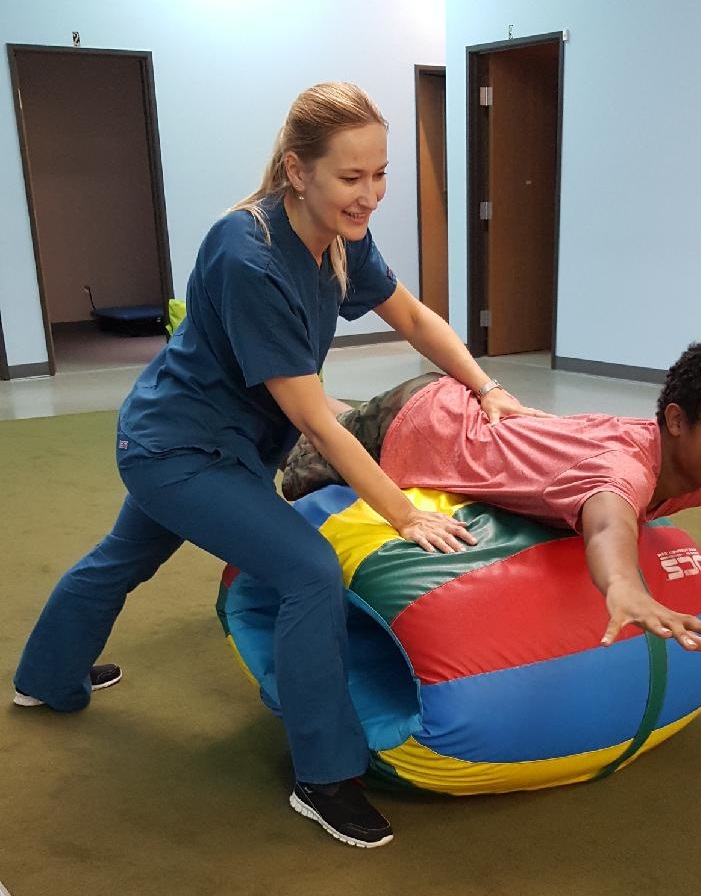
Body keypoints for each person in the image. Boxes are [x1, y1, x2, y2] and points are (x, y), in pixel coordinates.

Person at [12, 82, 545, 850]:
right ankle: (324, 778)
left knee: (126, 555)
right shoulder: (246, 254)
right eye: (352, 178)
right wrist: (404, 512)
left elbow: (416, 318)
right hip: (177, 449)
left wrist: (487, 386)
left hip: (212, 442)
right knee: (308, 572)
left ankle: (44, 679)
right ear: (298, 171)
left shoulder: (339, 234)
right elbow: (316, 422)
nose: (371, 195)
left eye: (380, 173)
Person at [282, 335, 701, 652]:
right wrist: (626, 588)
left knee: (335, 416)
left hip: (476, 423)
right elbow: (609, 525)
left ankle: (333, 404)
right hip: (419, 428)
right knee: (295, 467)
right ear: (677, 420)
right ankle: (284, 398)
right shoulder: (624, 470)